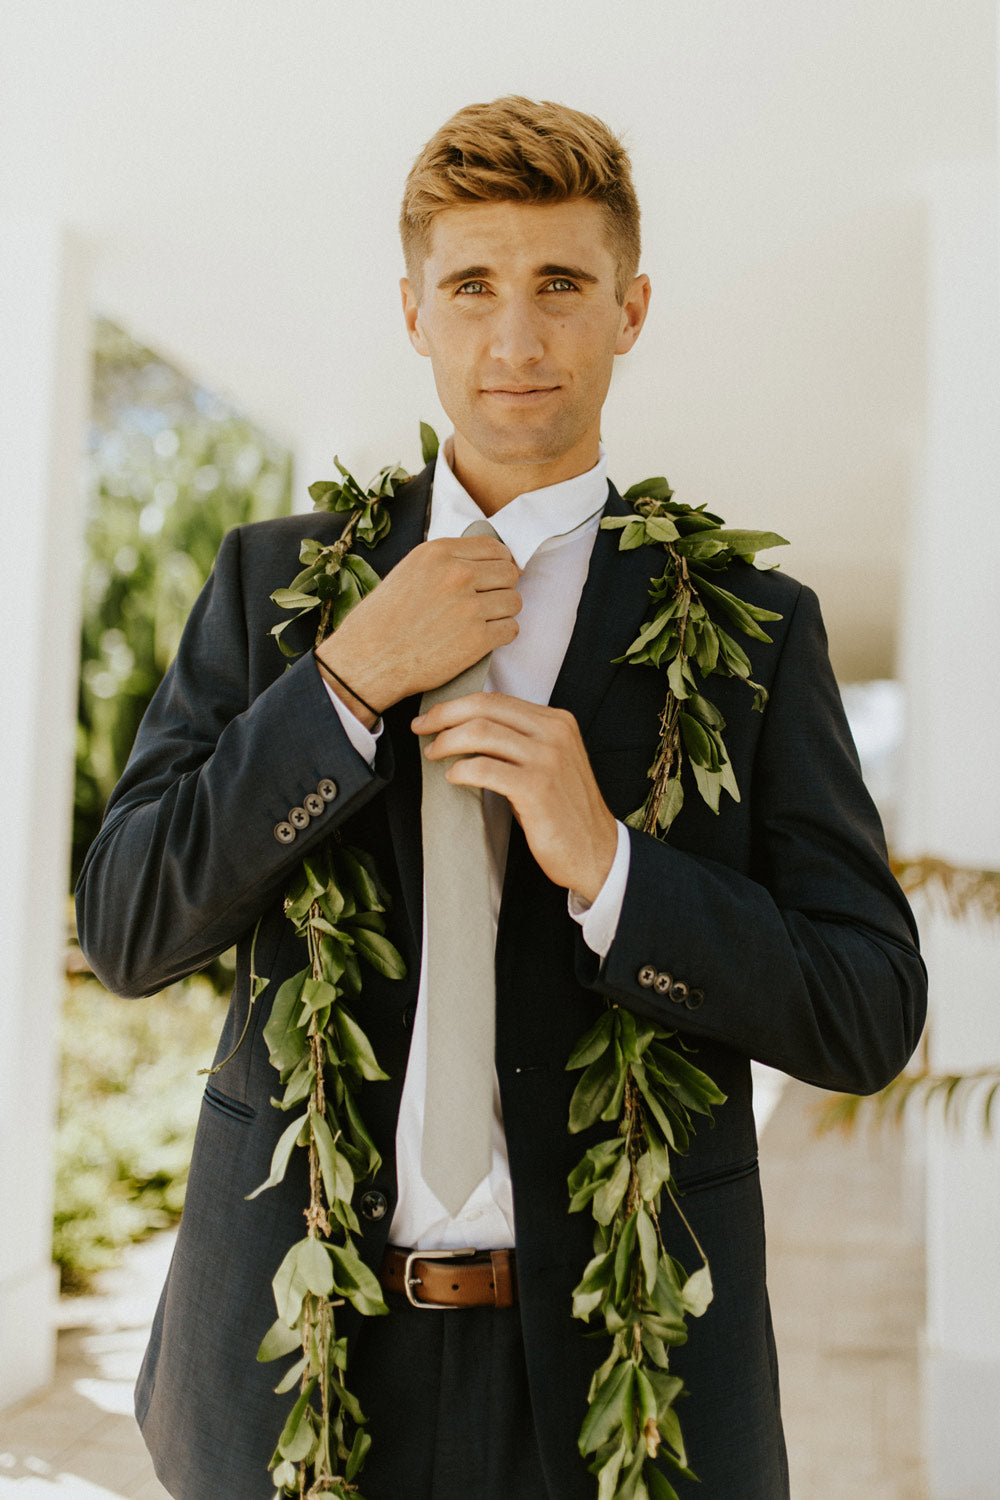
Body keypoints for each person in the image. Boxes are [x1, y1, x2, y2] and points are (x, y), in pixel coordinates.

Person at [76, 96, 927, 1500]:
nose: (516, 340)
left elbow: (867, 1009)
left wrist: (613, 870)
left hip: (614, 1380)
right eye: (472, 286)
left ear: (631, 309)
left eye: (561, 287)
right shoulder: (272, 587)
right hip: (296, 1365)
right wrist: (343, 684)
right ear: (413, 309)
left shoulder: (758, 631)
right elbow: (125, 923)